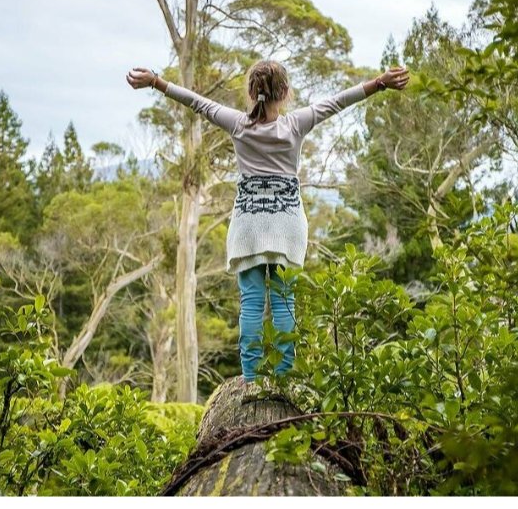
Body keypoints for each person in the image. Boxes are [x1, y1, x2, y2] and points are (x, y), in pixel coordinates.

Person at [126, 60, 409, 382]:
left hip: (248, 226)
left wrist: (156, 82)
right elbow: (340, 100)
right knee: (284, 302)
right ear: (285, 92)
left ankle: (250, 380)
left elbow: (196, 102)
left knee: (251, 304)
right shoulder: (296, 124)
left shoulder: (237, 124)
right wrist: (380, 82)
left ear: (250, 92)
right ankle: (284, 377)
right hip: (287, 227)